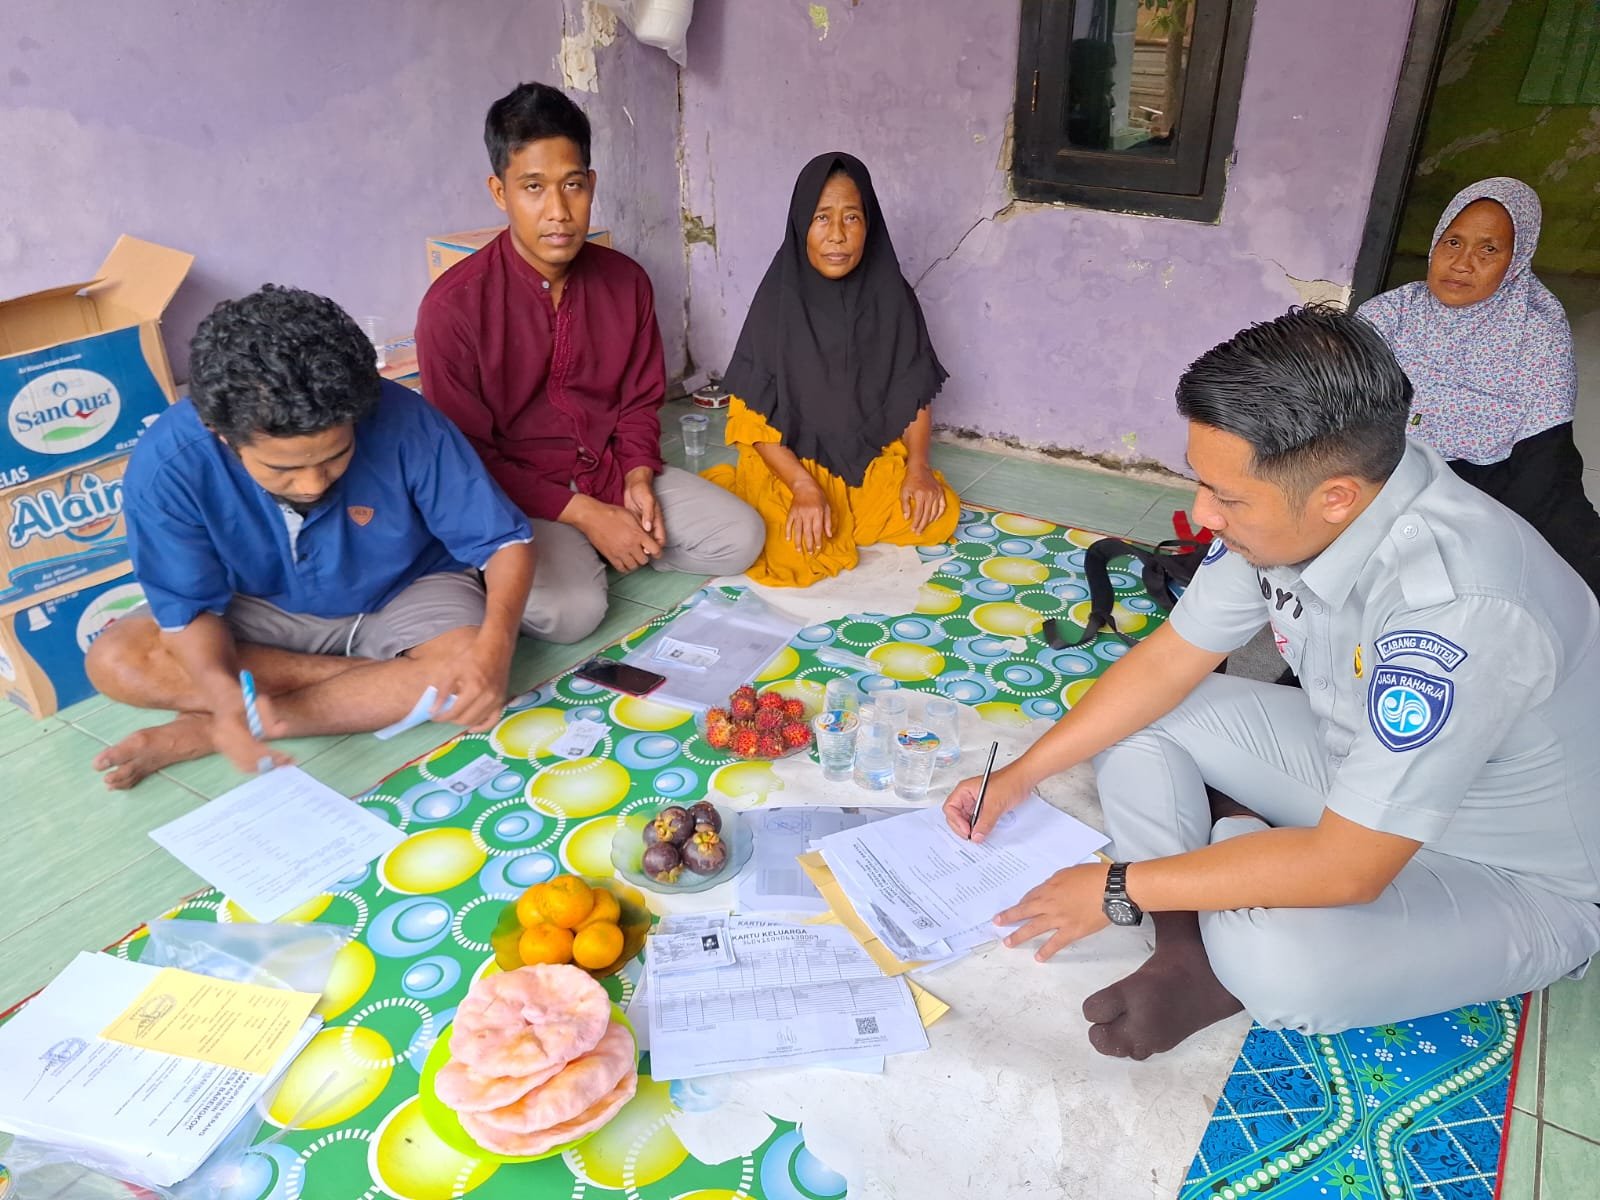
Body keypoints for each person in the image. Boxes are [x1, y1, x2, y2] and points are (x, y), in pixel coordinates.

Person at [942, 307, 1600, 1060]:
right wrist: (1020, 776)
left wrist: (1119, 886)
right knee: (1140, 715)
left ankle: (1233, 862)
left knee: (1279, 965)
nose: (1202, 514)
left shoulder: (1459, 610)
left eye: (1226, 497)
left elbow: (1350, 867)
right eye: (1203, 484)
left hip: (1508, 867)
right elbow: (1167, 661)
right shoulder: (1307, 501)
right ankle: (1187, 948)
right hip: (1356, 774)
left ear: (1337, 497)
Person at [86, 286, 535, 790]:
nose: (312, 485)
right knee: (119, 661)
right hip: (261, 605)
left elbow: (504, 543)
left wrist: (495, 649)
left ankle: (217, 728)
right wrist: (219, 689)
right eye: (282, 468)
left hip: (407, 588)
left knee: (467, 670)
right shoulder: (169, 462)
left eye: (335, 457)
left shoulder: (404, 418)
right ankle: (361, 687)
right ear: (221, 434)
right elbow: (188, 612)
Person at [416, 82, 762, 642]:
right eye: (533, 187)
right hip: (520, 496)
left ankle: (602, 547)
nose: (558, 212)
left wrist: (639, 475)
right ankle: (559, 555)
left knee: (741, 537)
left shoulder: (626, 282)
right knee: (571, 615)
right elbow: (468, 458)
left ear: (591, 185)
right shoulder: (452, 309)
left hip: (609, 472)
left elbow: (639, 402)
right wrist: (583, 514)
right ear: (500, 192)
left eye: (572, 185)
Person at [705, 152, 960, 587]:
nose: (837, 235)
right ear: (801, 224)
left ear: (869, 224)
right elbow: (752, 423)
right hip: (791, 463)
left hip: (863, 458)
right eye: (822, 218)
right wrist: (804, 488)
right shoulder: (777, 302)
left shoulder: (892, 296)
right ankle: (814, 505)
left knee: (937, 512)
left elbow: (913, 393)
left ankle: (844, 511)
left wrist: (918, 469)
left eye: (852, 218)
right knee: (795, 553)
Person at [1359, 177, 1600, 596]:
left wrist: (1488, 538)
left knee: (1568, 563)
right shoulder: (1387, 315)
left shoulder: (1537, 332)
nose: (1462, 263)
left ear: (1516, 259)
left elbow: (1543, 458)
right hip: (1385, 472)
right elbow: (1337, 416)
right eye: (1453, 242)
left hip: (1497, 478)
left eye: (1488, 249)